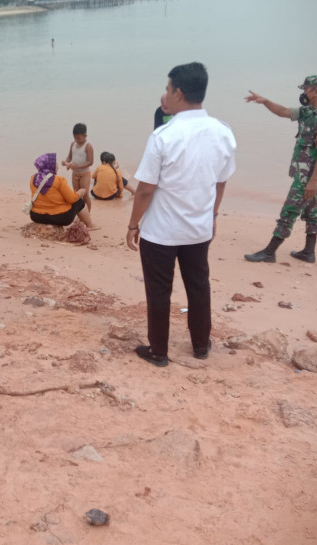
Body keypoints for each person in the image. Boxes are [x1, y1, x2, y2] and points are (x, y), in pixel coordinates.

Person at [126, 62, 236, 367]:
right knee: (199, 286)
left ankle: (158, 351)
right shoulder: (223, 132)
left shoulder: (164, 136)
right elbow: (220, 181)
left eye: (167, 88)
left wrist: (133, 224)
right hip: (199, 228)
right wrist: (212, 215)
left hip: (161, 231)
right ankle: (201, 344)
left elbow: (145, 189)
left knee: (159, 291)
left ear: (179, 93)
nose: (165, 93)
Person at [243, 75, 317, 264]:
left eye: (306, 89)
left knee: (290, 208)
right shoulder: (310, 110)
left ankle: (270, 251)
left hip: (310, 172)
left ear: (315, 91)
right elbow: (283, 111)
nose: (303, 92)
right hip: (305, 170)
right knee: (310, 208)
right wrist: (265, 102)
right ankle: (309, 252)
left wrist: (313, 179)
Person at [28, 153, 98, 229]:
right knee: (79, 202)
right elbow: (72, 199)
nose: (57, 165)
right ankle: (90, 225)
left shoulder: (33, 178)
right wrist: (80, 192)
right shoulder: (59, 180)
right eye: (55, 163)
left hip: (37, 216)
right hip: (59, 217)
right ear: (50, 165)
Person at [62, 123, 94, 212]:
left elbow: (90, 162)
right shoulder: (73, 144)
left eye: (79, 138)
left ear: (85, 136)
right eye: (75, 138)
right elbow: (69, 156)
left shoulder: (88, 146)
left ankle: (88, 215)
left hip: (85, 174)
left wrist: (78, 166)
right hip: (75, 173)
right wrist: (66, 162)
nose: (77, 140)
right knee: (76, 195)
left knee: (85, 195)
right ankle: (79, 215)